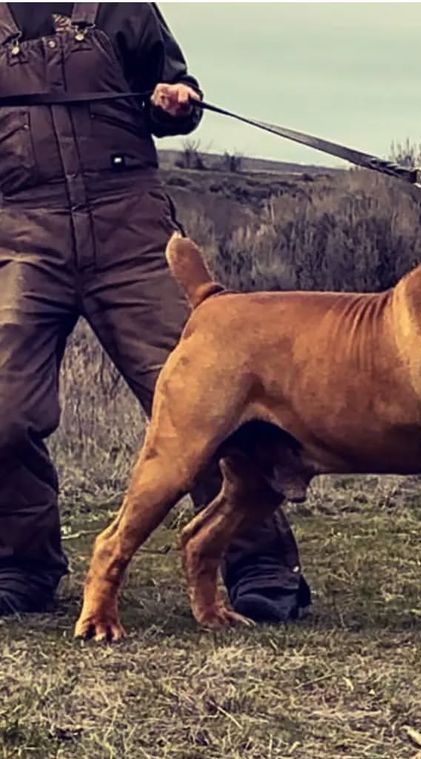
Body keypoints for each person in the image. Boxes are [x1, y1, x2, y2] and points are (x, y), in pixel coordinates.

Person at [0, 2, 311, 621]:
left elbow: (177, 96)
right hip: (22, 235)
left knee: (211, 399)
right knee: (4, 410)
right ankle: (21, 566)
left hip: (131, 231)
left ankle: (261, 564)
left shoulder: (121, 9)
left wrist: (177, 100)